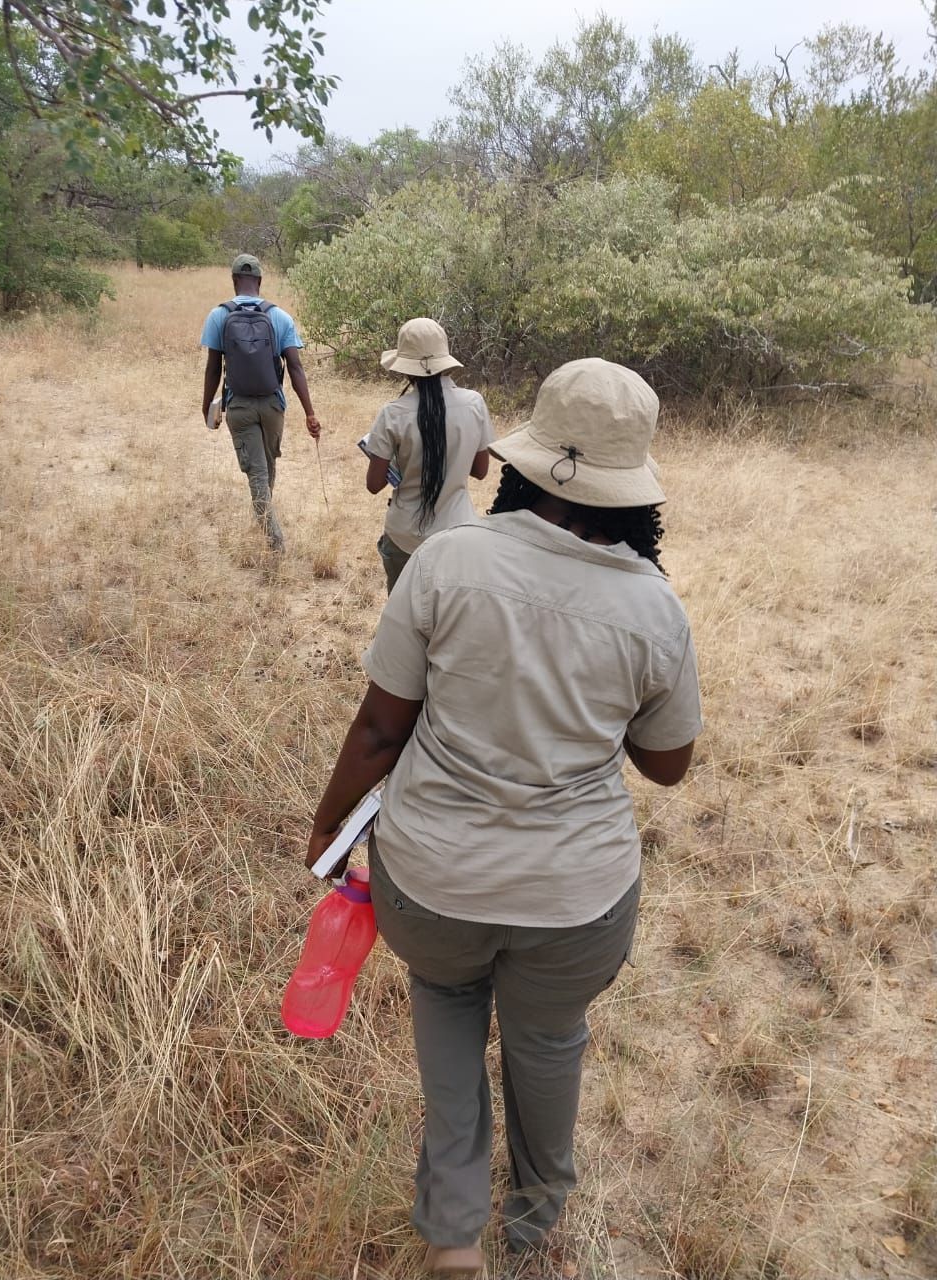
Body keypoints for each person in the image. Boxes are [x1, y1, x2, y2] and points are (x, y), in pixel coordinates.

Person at [305, 359, 702, 1276]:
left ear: (520, 464)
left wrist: (328, 831)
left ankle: (453, 1231)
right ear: (635, 492)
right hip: (576, 898)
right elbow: (669, 765)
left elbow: (378, 728)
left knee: (445, 1003)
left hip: (433, 880)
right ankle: (535, 1216)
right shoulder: (653, 608)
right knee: (549, 1039)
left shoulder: (449, 560)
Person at [200, 253, 322, 552]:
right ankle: (270, 529)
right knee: (265, 468)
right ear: (260, 281)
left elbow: (214, 368)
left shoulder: (219, 315)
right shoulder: (279, 316)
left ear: (233, 280)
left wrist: (207, 407)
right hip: (273, 406)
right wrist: (309, 412)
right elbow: (295, 367)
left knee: (257, 472)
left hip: (239, 406)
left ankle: (273, 539)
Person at [364, 317, 494, 593]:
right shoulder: (474, 404)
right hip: (458, 532)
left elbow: (374, 485)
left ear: (405, 368)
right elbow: (480, 470)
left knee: (403, 623)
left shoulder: (394, 413)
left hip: (405, 536)